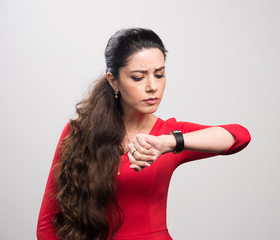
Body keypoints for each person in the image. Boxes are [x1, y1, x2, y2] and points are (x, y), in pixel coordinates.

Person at [37, 27, 251, 240]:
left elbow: (240, 136)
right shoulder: (80, 132)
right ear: (114, 81)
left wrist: (170, 142)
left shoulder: (167, 135)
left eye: (159, 75)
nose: (152, 87)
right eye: (138, 77)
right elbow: (46, 226)